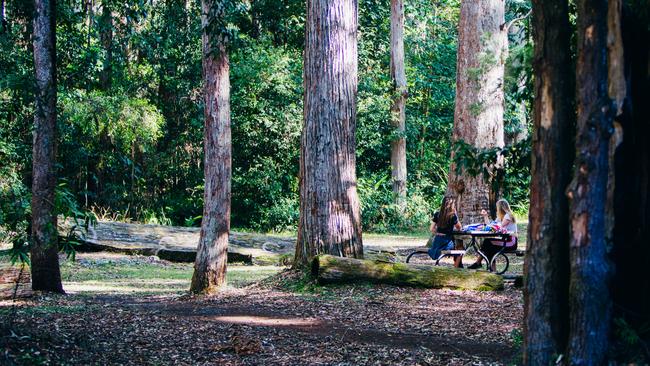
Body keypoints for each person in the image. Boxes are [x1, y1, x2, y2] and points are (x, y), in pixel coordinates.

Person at [467, 199, 518, 270]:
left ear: (500, 207)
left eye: (497, 207)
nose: (496, 209)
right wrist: (485, 216)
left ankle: (481, 264)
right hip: (505, 240)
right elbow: (490, 226)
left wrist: (492, 226)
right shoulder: (501, 217)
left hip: (511, 242)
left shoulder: (508, 216)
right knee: (488, 243)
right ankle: (489, 267)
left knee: (488, 243)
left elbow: (498, 227)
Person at [428, 196, 463, 267]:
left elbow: (431, 228)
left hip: (437, 242)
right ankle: (455, 269)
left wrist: (438, 233)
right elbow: (459, 227)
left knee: (457, 247)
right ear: (452, 205)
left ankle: (458, 266)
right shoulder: (452, 216)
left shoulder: (437, 214)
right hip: (446, 242)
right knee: (460, 249)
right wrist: (455, 214)